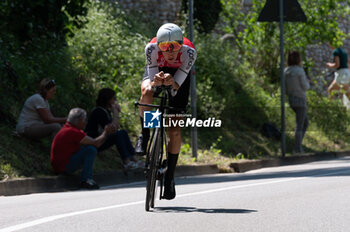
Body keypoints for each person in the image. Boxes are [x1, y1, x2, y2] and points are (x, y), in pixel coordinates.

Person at [135, 23, 197, 200]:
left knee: (174, 130)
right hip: (157, 70)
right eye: (165, 48)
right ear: (158, 46)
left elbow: (177, 85)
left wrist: (172, 83)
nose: (170, 52)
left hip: (179, 75)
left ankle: (169, 177)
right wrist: (157, 83)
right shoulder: (151, 49)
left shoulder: (189, 52)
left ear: (181, 45)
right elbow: (152, 79)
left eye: (175, 47)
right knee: (147, 92)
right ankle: (145, 135)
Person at [51, 108, 115, 189]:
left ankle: (86, 178)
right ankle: (86, 179)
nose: (86, 122)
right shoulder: (72, 131)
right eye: (84, 120)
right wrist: (106, 132)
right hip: (63, 166)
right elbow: (96, 143)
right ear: (79, 120)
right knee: (91, 149)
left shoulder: (68, 129)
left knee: (88, 147)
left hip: (60, 165)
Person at [85, 88, 143, 169]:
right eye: (113, 98)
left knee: (123, 132)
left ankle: (134, 159)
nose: (115, 101)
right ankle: (126, 161)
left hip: (102, 138)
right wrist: (115, 113)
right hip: (96, 140)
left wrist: (114, 113)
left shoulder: (106, 111)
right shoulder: (98, 111)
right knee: (118, 135)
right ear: (107, 99)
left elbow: (116, 127)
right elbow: (113, 129)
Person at [285, 51, 310, 154]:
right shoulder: (300, 71)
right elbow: (305, 86)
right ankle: (297, 148)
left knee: (305, 122)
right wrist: (308, 82)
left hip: (291, 99)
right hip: (300, 98)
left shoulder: (286, 71)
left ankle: (298, 146)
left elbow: (284, 88)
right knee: (300, 124)